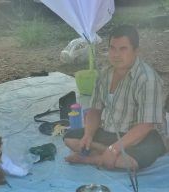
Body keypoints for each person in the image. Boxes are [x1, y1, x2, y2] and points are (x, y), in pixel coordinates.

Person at [63, 24, 168, 170]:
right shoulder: (105, 74)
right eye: (112, 48)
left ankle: (95, 158)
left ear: (136, 51)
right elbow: (95, 111)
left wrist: (114, 149)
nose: (116, 54)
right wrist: (88, 135)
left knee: (132, 162)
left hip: (146, 136)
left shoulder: (147, 79)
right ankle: (108, 152)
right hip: (114, 130)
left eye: (123, 49)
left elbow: (146, 125)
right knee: (69, 138)